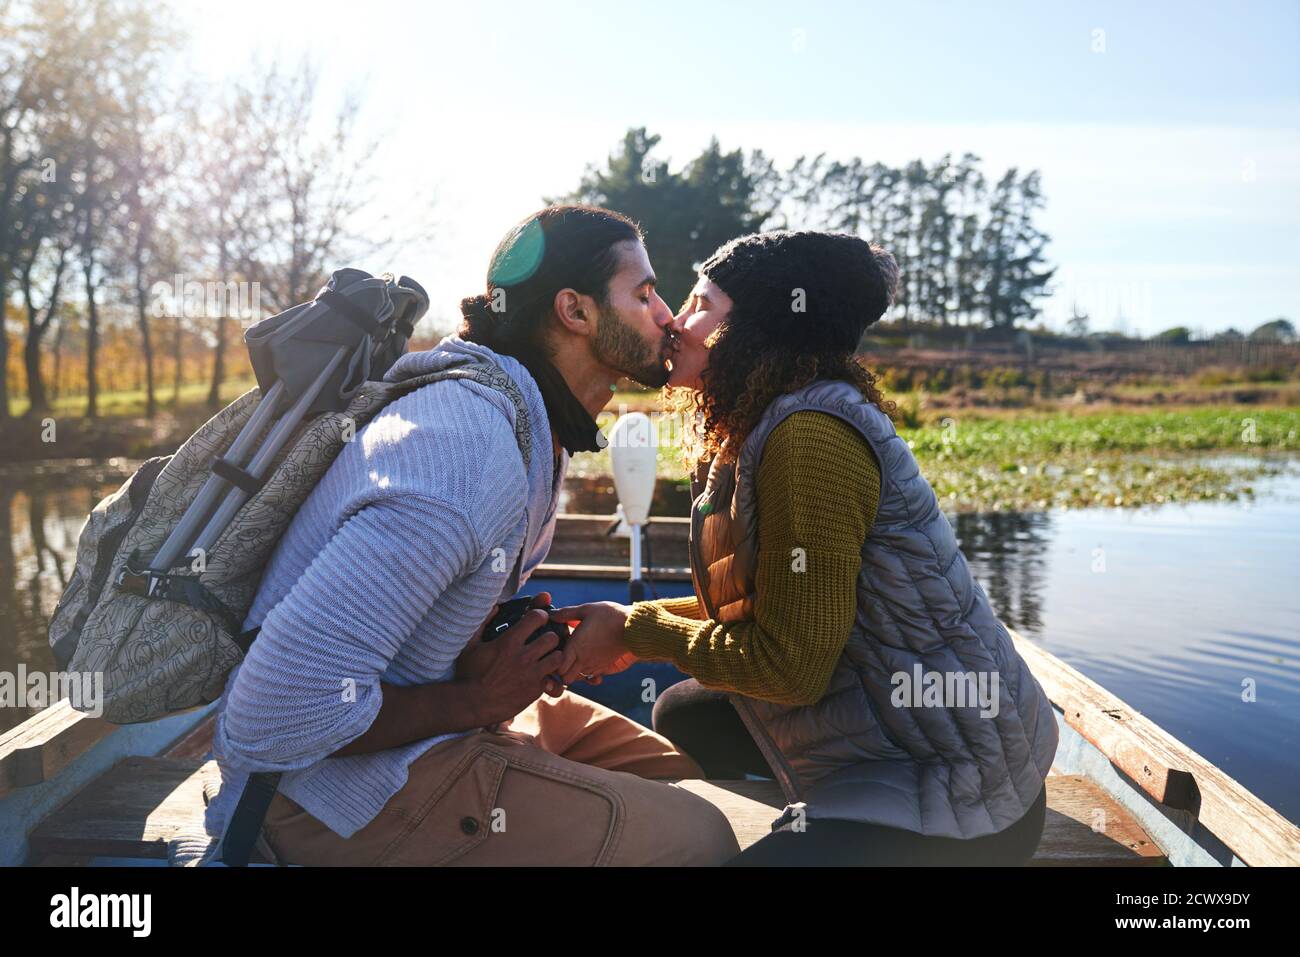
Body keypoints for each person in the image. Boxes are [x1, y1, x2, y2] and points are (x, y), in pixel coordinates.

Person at [206, 205, 740, 866]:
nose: (666, 315)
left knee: (678, 773)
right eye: (643, 292)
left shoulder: (531, 418)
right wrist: (473, 698)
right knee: (703, 839)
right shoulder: (461, 455)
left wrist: (480, 658)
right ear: (575, 311)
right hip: (326, 796)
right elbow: (270, 716)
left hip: (444, 724)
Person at [551, 230, 1059, 866]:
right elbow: (766, 609)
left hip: (966, 791)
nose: (677, 322)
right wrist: (630, 626)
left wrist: (637, 635)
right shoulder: (758, 422)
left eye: (703, 305)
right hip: (909, 725)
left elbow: (790, 668)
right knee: (685, 713)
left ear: (760, 329)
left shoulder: (807, 438)